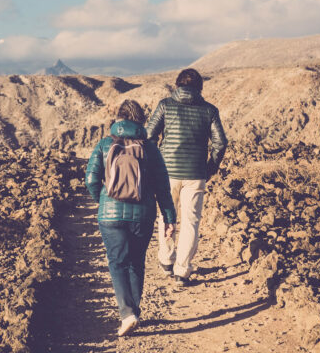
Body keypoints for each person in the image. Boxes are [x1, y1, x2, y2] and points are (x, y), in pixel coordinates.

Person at [86, 99, 177, 337]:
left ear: (119, 118)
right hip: (143, 214)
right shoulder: (150, 147)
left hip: (110, 215)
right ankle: (133, 312)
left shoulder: (105, 144)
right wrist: (169, 217)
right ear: (141, 121)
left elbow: (91, 179)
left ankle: (127, 314)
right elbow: (162, 186)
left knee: (117, 262)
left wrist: (103, 200)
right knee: (136, 262)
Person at [146, 68, 227, 285]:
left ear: (177, 85)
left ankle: (165, 260)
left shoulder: (165, 105)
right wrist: (209, 168)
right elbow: (220, 143)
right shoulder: (209, 110)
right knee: (191, 221)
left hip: (166, 173)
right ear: (199, 87)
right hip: (195, 174)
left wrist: (155, 162)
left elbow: (149, 136)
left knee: (165, 216)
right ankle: (182, 270)